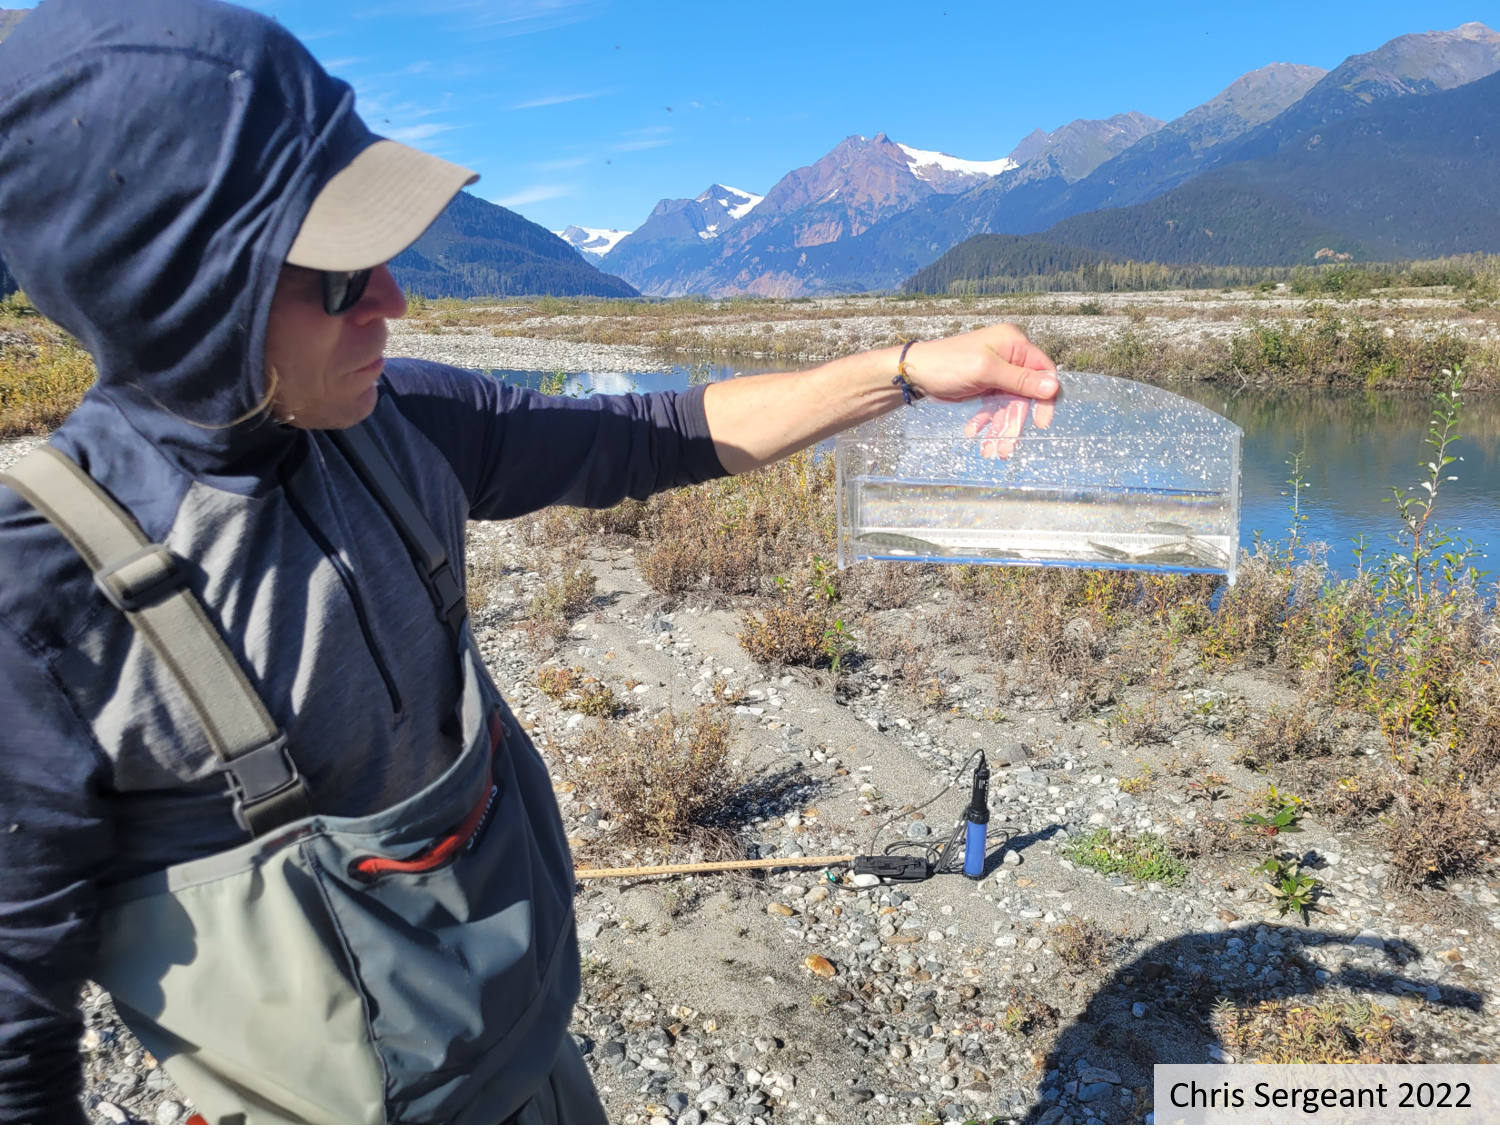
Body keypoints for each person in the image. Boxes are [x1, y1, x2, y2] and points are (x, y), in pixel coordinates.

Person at [0, 0, 1058, 1125]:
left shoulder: (395, 420)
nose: (398, 302)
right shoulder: (43, 595)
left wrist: (903, 368)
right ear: (180, 293)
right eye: (343, 277)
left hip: (531, 1056)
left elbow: (652, 432)